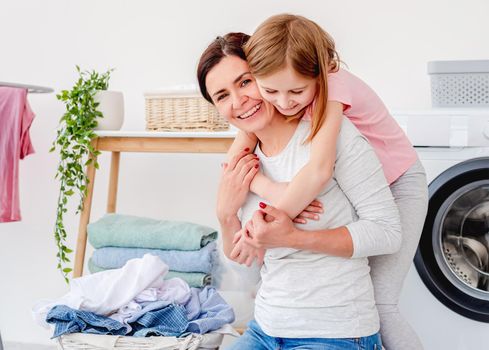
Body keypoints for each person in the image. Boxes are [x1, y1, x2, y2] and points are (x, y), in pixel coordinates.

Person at [224, 14, 429, 350]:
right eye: (271, 90)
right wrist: (253, 190)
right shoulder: (288, 99)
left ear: (319, 71)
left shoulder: (332, 88)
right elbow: (239, 151)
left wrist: (270, 224)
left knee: (382, 304)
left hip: (400, 181)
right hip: (360, 186)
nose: (285, 102)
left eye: (296, 91)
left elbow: (319, 171)